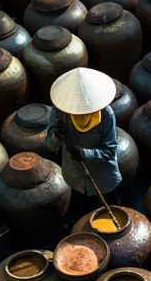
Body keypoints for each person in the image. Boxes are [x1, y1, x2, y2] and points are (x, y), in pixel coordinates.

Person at [47, 67, 121, 212]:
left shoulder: (106, 115)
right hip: (75, 180)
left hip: (104, 181)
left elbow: (110, 151)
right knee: (83, 220)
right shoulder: (59, 111)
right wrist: (56, 136)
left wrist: (84, 154)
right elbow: (50, 146)